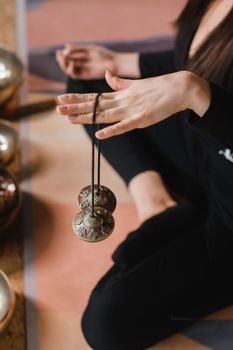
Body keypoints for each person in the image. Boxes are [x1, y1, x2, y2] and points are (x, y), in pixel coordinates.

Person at [56, 0, 233, 349]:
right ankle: (156, 200)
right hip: (202, 145)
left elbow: (202, 84)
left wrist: (195, 93)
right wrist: (121, 63)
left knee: (106, 324)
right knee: (90, 83)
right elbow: (206, 63)